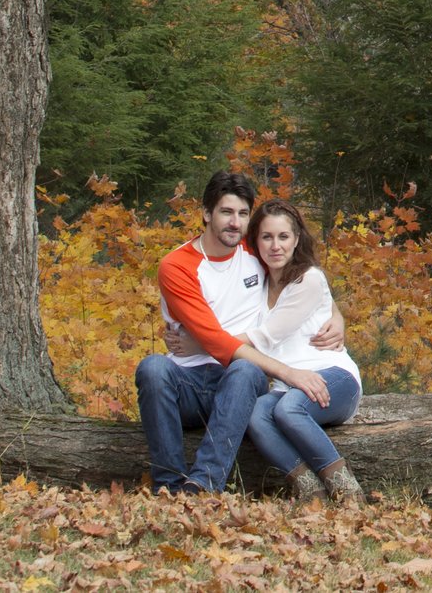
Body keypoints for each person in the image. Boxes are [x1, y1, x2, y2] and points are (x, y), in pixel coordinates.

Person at [134, 171, 344, 494]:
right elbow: (216, 341)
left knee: (244, 370)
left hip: (242, 384)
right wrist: (289, 373)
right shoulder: (177, 266)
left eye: (243, 214)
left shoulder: (254, 250)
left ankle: (203, 486)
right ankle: (168, 486)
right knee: (152, 367)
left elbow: (303, 276)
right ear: (207, 213)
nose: (235, 223)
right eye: (226, 212)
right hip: (188, 385)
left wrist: (336, 315)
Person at [234, 200, 366, 504]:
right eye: (267, 237)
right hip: (289, 384)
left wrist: (205, 342)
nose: (275, 246)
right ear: (255, 241)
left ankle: (347, 491)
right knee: (255, 413)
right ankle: (311, 491)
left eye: (283, 237)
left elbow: (264, 338)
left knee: (289, 409)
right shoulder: (257, 285)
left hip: (335, 377)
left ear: (296, 239)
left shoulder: (309, 278)